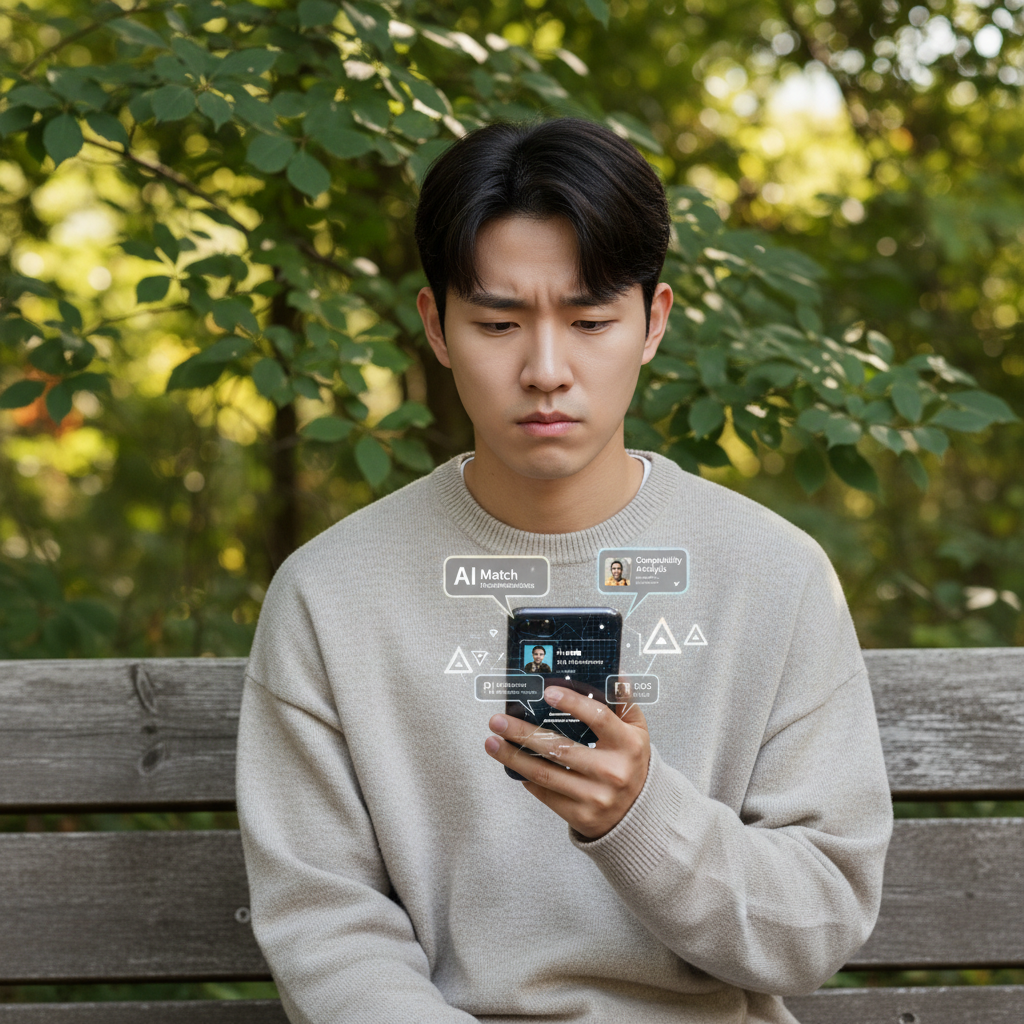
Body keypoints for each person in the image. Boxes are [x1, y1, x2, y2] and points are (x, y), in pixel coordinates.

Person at [237, 118, 892, 1024]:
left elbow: (814, 928)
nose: (546, 370)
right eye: (498, 323)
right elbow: (326, 924)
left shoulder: (771, 577)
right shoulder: (329, 594)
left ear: (653, 324)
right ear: (436, 327)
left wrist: (638, 817)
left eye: (590, 321)